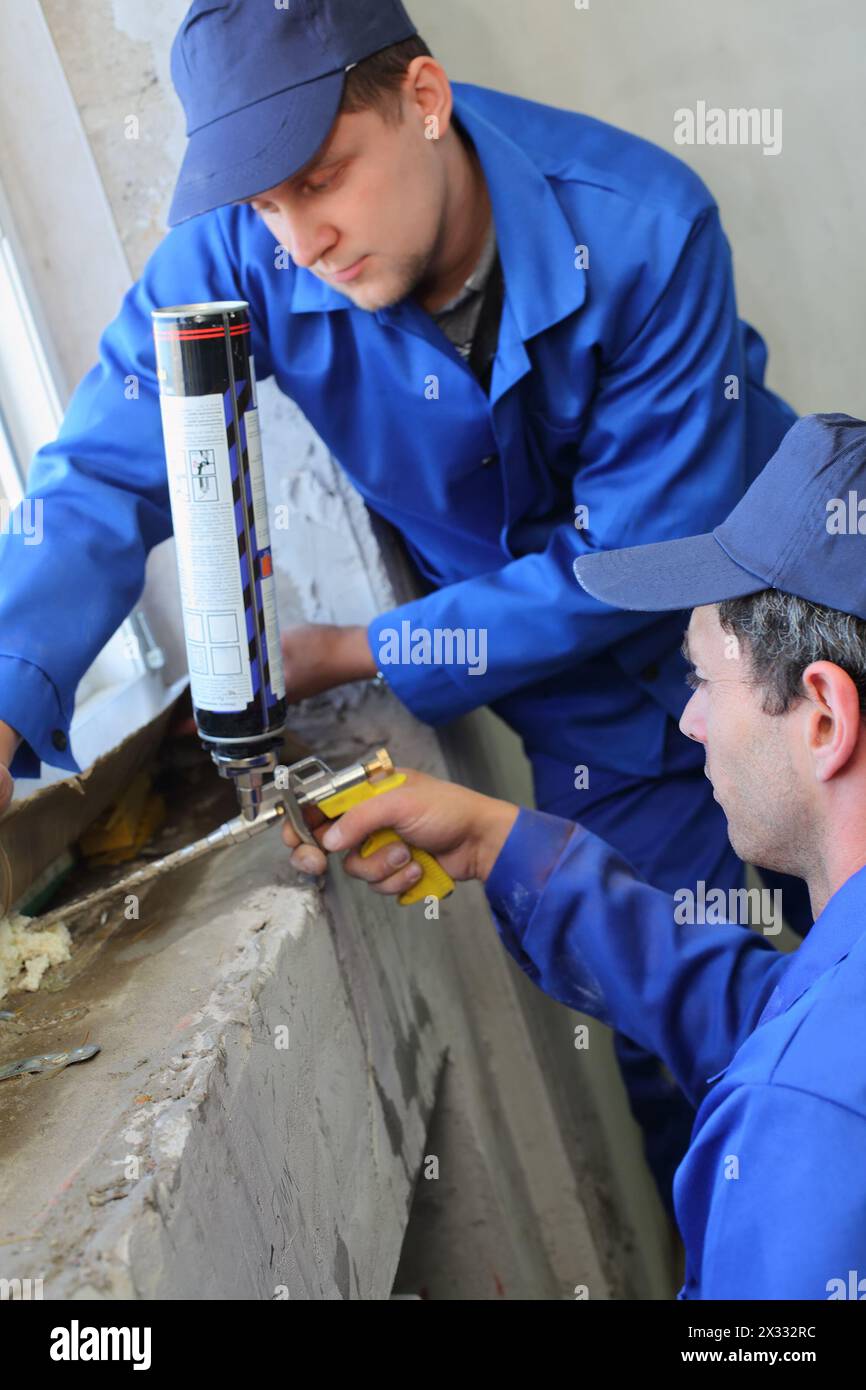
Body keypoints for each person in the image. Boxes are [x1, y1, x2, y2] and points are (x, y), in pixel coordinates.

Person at [0, 0, 804, 1210]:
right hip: (600, 739)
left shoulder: (641, 226)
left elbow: (638, 560)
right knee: (698, 1082)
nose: (301, 236)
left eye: (321, 179)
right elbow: (103, 473)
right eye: (265, 203)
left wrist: (357, 650)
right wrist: (8, 694)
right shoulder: (245, 249)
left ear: (423, 99)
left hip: (764, 667)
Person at [279, 413, 866, 1298]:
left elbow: (804, 1071)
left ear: (823, 717)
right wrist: (499, 845)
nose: (690, 720)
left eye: (703, 678)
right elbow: (776, 1011)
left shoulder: (800, 1127)